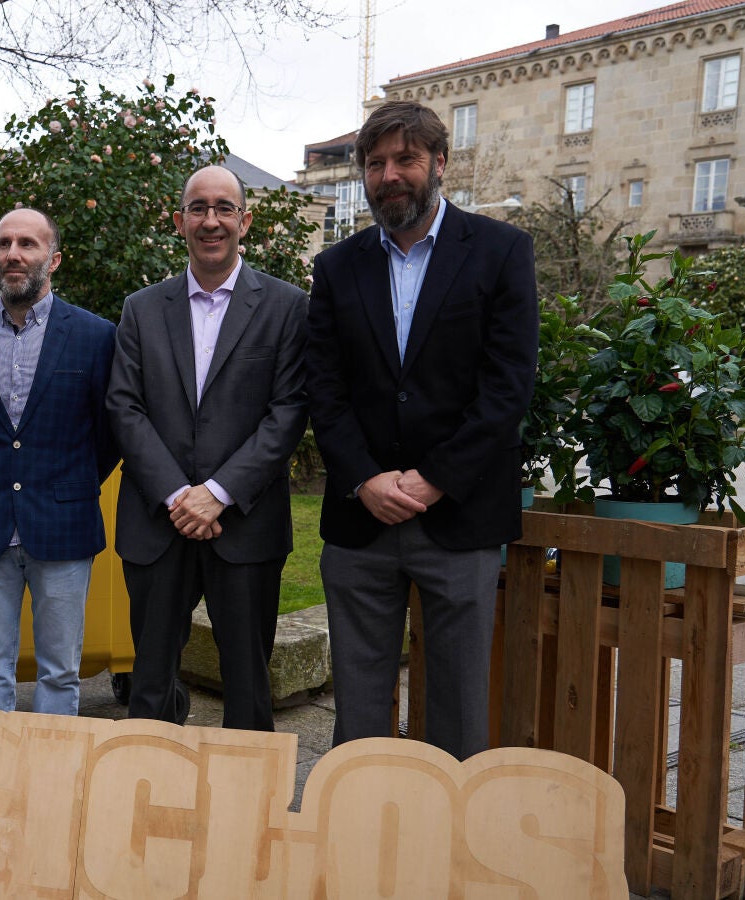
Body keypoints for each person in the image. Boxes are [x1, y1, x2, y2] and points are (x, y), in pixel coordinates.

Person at [305, 100, 538, 760]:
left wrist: (436, 478)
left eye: (404, 159)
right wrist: (364, 479)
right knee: (357, 715)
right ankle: (359, 821)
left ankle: (451, 828)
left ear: (439, 162)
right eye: (375, 163)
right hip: (361, 520)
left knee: (460, 712)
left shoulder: (500, 251)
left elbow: (507, 386)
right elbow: (323, 388)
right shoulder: (337, 267)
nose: (389, 175)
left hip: (460, 516)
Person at [107, 164, 309, 732]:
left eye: (224, 208)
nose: (211, 220)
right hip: (158, 524)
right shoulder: (142, 308)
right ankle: (149, 783)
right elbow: (124, 407)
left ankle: (248, 792)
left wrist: (218, 493)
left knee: (248, 690)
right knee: (149, 690)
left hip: (245, 526)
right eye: (198, 208)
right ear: (179, 222)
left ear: (246, 221)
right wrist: (179, 495)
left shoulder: (287, 306)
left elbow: (289, 411)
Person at [0, 208, 118, 715]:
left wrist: (68, 483)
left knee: (60, 672)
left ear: (53, 259)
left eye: (27, 244)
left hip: (64, 524)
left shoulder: (95, 336)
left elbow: (108, 435)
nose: (13, 254)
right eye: (4, 244)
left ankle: (53, 768)